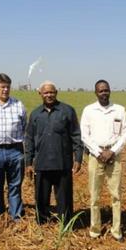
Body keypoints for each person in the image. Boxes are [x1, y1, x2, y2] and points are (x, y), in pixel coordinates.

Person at [25, 81, 83, 224]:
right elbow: (29, 140)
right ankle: (42, 223)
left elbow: (76, 135)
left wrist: (78, 158)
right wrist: (28, 162)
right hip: (42, 162)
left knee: (64, 197)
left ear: (56, 93)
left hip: (62, 162)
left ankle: (66, 222)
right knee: (41, 197)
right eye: (46, 92)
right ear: (40, 94)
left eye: (52, 92)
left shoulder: (67, 111)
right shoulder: (35, 114)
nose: (49, 95)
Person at [80, 79, 126, 242]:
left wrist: (112, 151)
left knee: (116, 195)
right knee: (94, 196)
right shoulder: (89, 110)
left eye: (106, 90)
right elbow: (84, 135)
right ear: (96, 93)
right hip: (95, 156)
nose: (104, 93)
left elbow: (124, 134)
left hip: (114, 157)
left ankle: (116, 231)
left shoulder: (119, 110)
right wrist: (99, 152)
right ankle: (95, 229)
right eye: (100, 91)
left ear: (110, 91)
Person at [0, 73, 27, 220]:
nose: (5, 90)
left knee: (15, 185)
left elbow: (24, 128)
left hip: (15, 150)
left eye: (8, 87)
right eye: (2, 87)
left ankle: (16, 215)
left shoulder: (18, 105)